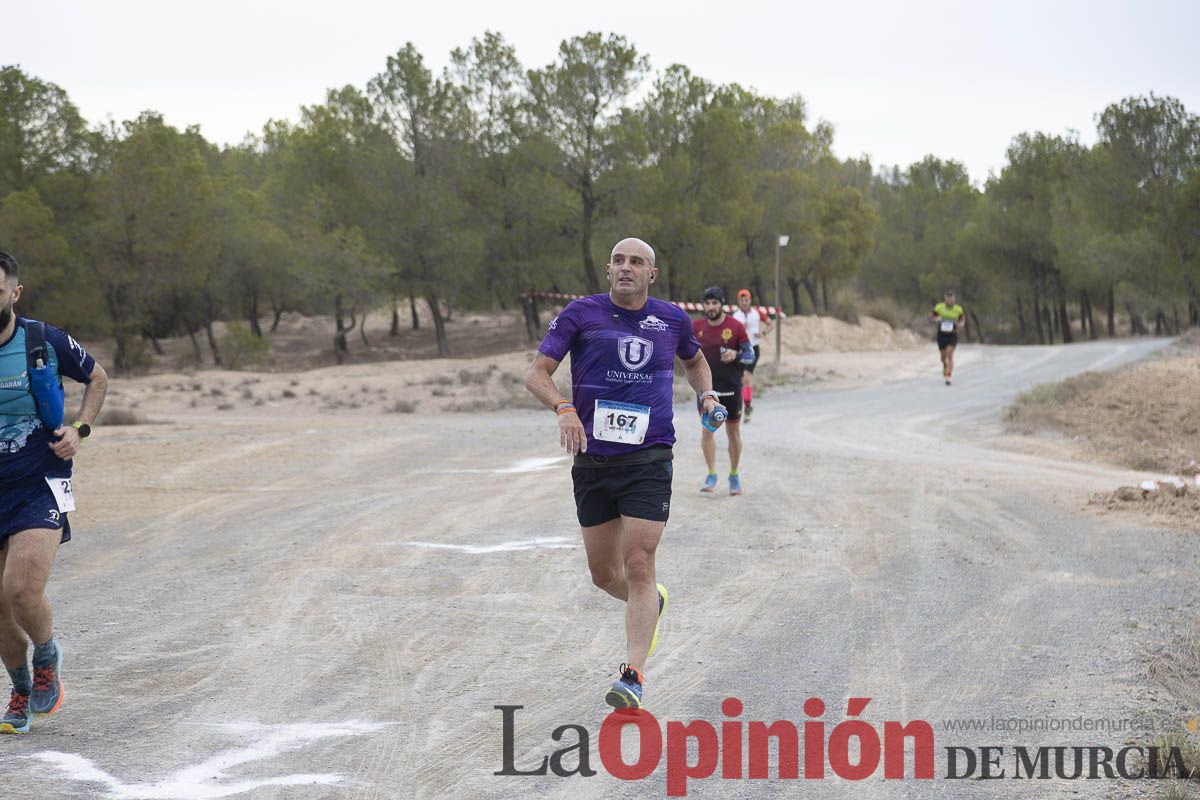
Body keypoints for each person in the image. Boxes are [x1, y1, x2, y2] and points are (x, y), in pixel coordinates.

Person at [524, 238, 724, 711]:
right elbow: (536, 373)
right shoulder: (580, 314)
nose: (626, 268)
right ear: (608, 269)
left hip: (649, 458)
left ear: (651, 274)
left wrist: (707, 397)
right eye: (618, 260)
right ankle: (652, 603)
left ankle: (633, 674)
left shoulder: (672, 319)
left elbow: (694, 361)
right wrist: (564, 407)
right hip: (593, 461)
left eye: (636, 262)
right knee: (603, 573)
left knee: (639, 562)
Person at [0, 251, 108, 735]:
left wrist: (79, 430)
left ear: (14, 293)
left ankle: (46, 653)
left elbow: (97, 378)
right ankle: (21, 688)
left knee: (21, 590)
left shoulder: (43, 339)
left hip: (40, 480)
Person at [693, 287, 753, 496]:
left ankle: (734, 476)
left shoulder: (735, 327)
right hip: (707, 391)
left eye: (715, 303)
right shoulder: (696, 327)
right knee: (707, 431)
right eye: (707, 303)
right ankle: (711, 474)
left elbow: (750, 355)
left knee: (732, 433)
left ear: (722, 304)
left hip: (731, 390)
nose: (711, 307)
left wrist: (736, 354)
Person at [731, 289, 772, 422]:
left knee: (747, 378)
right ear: (738, 301)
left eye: (746, 300)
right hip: (740, 350)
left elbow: (770, 324)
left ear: (750, 300)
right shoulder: (735, 316)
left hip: (753, 348)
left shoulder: (757, 313)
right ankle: (744, 406)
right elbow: (730, 333)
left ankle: (747, 407)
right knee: (741, 380)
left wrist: (763, 333)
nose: (744, 302)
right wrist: (739, 329)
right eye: (741, 300)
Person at [928, 289, 966, 385]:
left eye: (951, 298)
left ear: (954, 299)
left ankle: (948, 376)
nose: (949, 299)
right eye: (947, 297)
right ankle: (945, 365)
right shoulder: (939, 307)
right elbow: (930, 317)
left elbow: (962, 319)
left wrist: (960, 324)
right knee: (943, 357)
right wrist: (936, 319)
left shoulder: (958, 309)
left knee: (950, 354)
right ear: (945, 298)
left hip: (952, 335)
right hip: (941, 335)